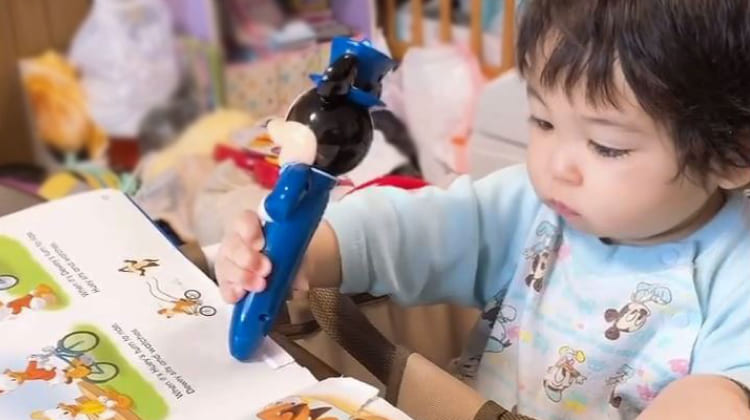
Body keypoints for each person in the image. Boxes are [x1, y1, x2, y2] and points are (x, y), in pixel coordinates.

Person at [214, 1, 750, 418]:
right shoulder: (529, 207)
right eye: (543, 121)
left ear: (733, 155)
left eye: (607, 146)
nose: (557, 164)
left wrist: (714, 396)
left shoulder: (736, 276)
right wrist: (303, 250)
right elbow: (408, 229)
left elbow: (722, 391)